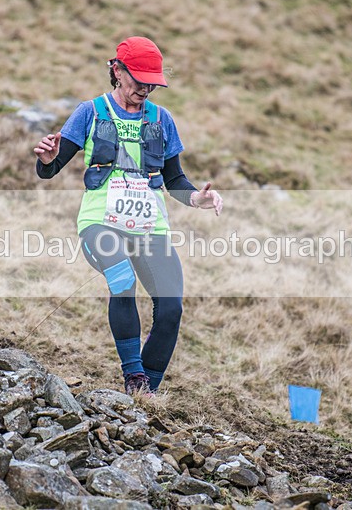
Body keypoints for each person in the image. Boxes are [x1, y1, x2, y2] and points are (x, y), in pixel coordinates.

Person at [33, 36, 222, 395]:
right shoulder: (90, 112)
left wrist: (198, 198)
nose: (146, 89)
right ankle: (134, 374)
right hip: (100, 224)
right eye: (139, 80)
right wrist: (46, 160)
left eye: (153, 83)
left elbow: (174, 180)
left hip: (151, 227)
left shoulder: (162, 119)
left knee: (171, 309)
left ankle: (145, 393)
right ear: (117, 71)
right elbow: (51, 168)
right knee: (122, 279)